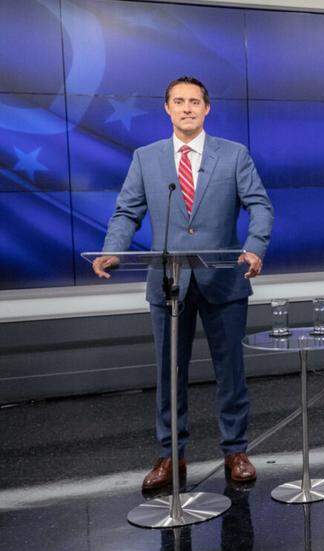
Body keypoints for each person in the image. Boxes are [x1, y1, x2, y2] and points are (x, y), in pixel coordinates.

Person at [93, 76, 273, 491]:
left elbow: (259, 206)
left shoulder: (234, 154)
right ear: (167, 109)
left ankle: (236, 450)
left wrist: (255, 247)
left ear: (207, 109)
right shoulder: (146, 158)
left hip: (224, 280)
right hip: (168, 282)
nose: (187, 108)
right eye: (179, 101)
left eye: (195, 102)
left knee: (231, 371)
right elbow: (126, 212)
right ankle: (171, 455)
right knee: (169, 372)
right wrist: (113, 249)